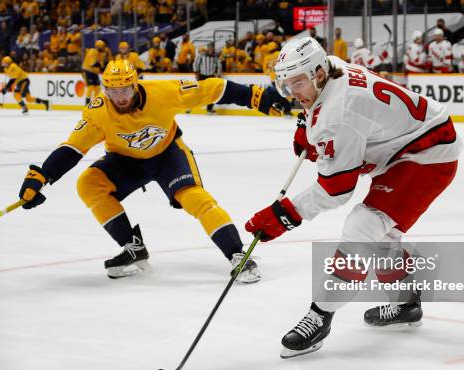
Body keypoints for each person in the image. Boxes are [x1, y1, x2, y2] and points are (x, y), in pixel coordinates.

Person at [245, 37, 462, 358]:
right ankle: (406, 302)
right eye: (286, 84)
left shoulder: (339, 114)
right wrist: (308, 121)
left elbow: (336, 190)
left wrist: (283, 214)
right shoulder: (332, 66)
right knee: (381, 233)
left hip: (428, 155)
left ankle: (321, 314)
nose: (292, 93)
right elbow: (331, 109)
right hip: (408, 143)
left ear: (318, 74)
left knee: (363, 227)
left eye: (298, 83)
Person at [16, 59, 285, 280]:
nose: (120, 97)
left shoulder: (163, 93)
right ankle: (134, 248)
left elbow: (212, 88)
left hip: (168, 155)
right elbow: (72, 148)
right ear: (105, 90)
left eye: (125, 90)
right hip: (125, 162)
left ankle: (238, 254)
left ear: (136, 85)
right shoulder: (98, 112)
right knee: (88, 183)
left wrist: (254, 96)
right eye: (113, 91)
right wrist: (41, 176)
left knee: (193, 197)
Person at [193, 42, 222, 114]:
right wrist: (196, 73)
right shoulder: (201, 55)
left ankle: (209, 109)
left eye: (212, 48)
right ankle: (190, 107)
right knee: (198, 92)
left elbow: (219, 65)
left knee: (212, 93)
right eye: (209, 48)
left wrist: (218, 74)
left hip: (211, 77)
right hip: (202, 76)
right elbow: (196, 63)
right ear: (207, 48)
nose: (211, 49)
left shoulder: (215, 57)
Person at [82, 40, 108, 105]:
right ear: (98, 46)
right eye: (102, 46)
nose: (103, 48)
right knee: (90, 87)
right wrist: (101, 66)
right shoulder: (92, 51)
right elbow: (92, 63)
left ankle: (95, 102)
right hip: (87, 71)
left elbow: (101, 64)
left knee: (97, 88)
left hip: (94, 72)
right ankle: (87, 103)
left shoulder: (102, 53)